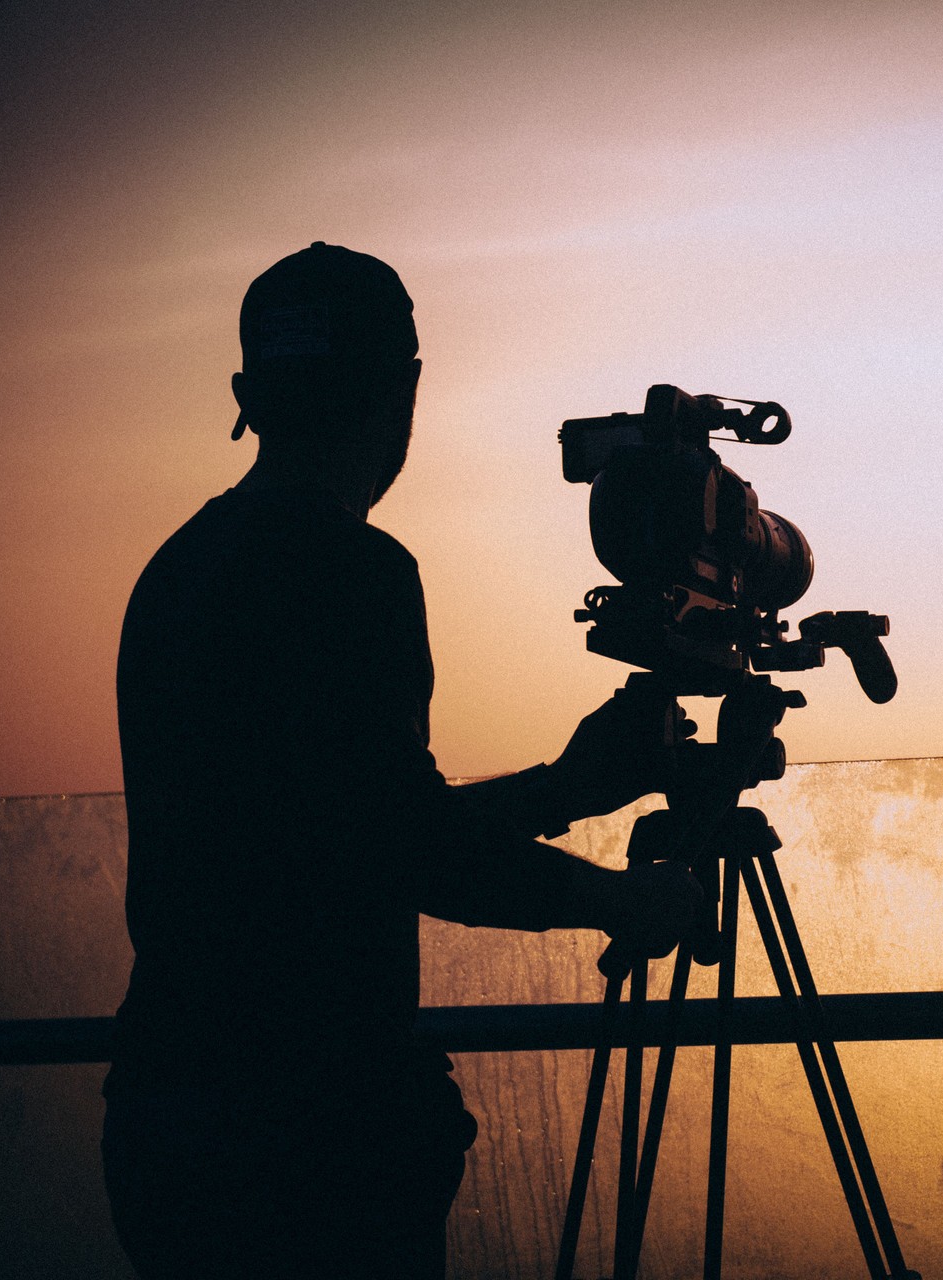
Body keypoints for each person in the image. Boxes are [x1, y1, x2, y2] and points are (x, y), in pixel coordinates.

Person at [102, 242, 701, 1278]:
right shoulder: (356, 572)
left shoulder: (178, 572)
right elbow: (409, 850)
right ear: (405, 389)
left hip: (173, 1123)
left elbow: (345, 830)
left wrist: (565, 789)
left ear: (249, 393)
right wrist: (621, 900)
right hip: (316, 1144)